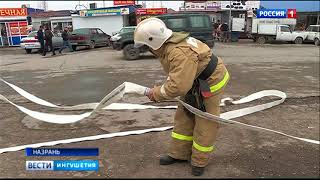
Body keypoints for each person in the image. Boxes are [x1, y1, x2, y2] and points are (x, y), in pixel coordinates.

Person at [134, 18, 229, 176]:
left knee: (205, 121)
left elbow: (178, 86)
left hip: (210, 82)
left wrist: (155, 93)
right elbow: (180, 77)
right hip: (193, 81)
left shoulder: (179, 52)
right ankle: (179, 154)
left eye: (147, 45)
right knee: (184, 116)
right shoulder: (169, 43)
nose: (146, 49)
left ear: (154, 41)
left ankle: (199, 160)